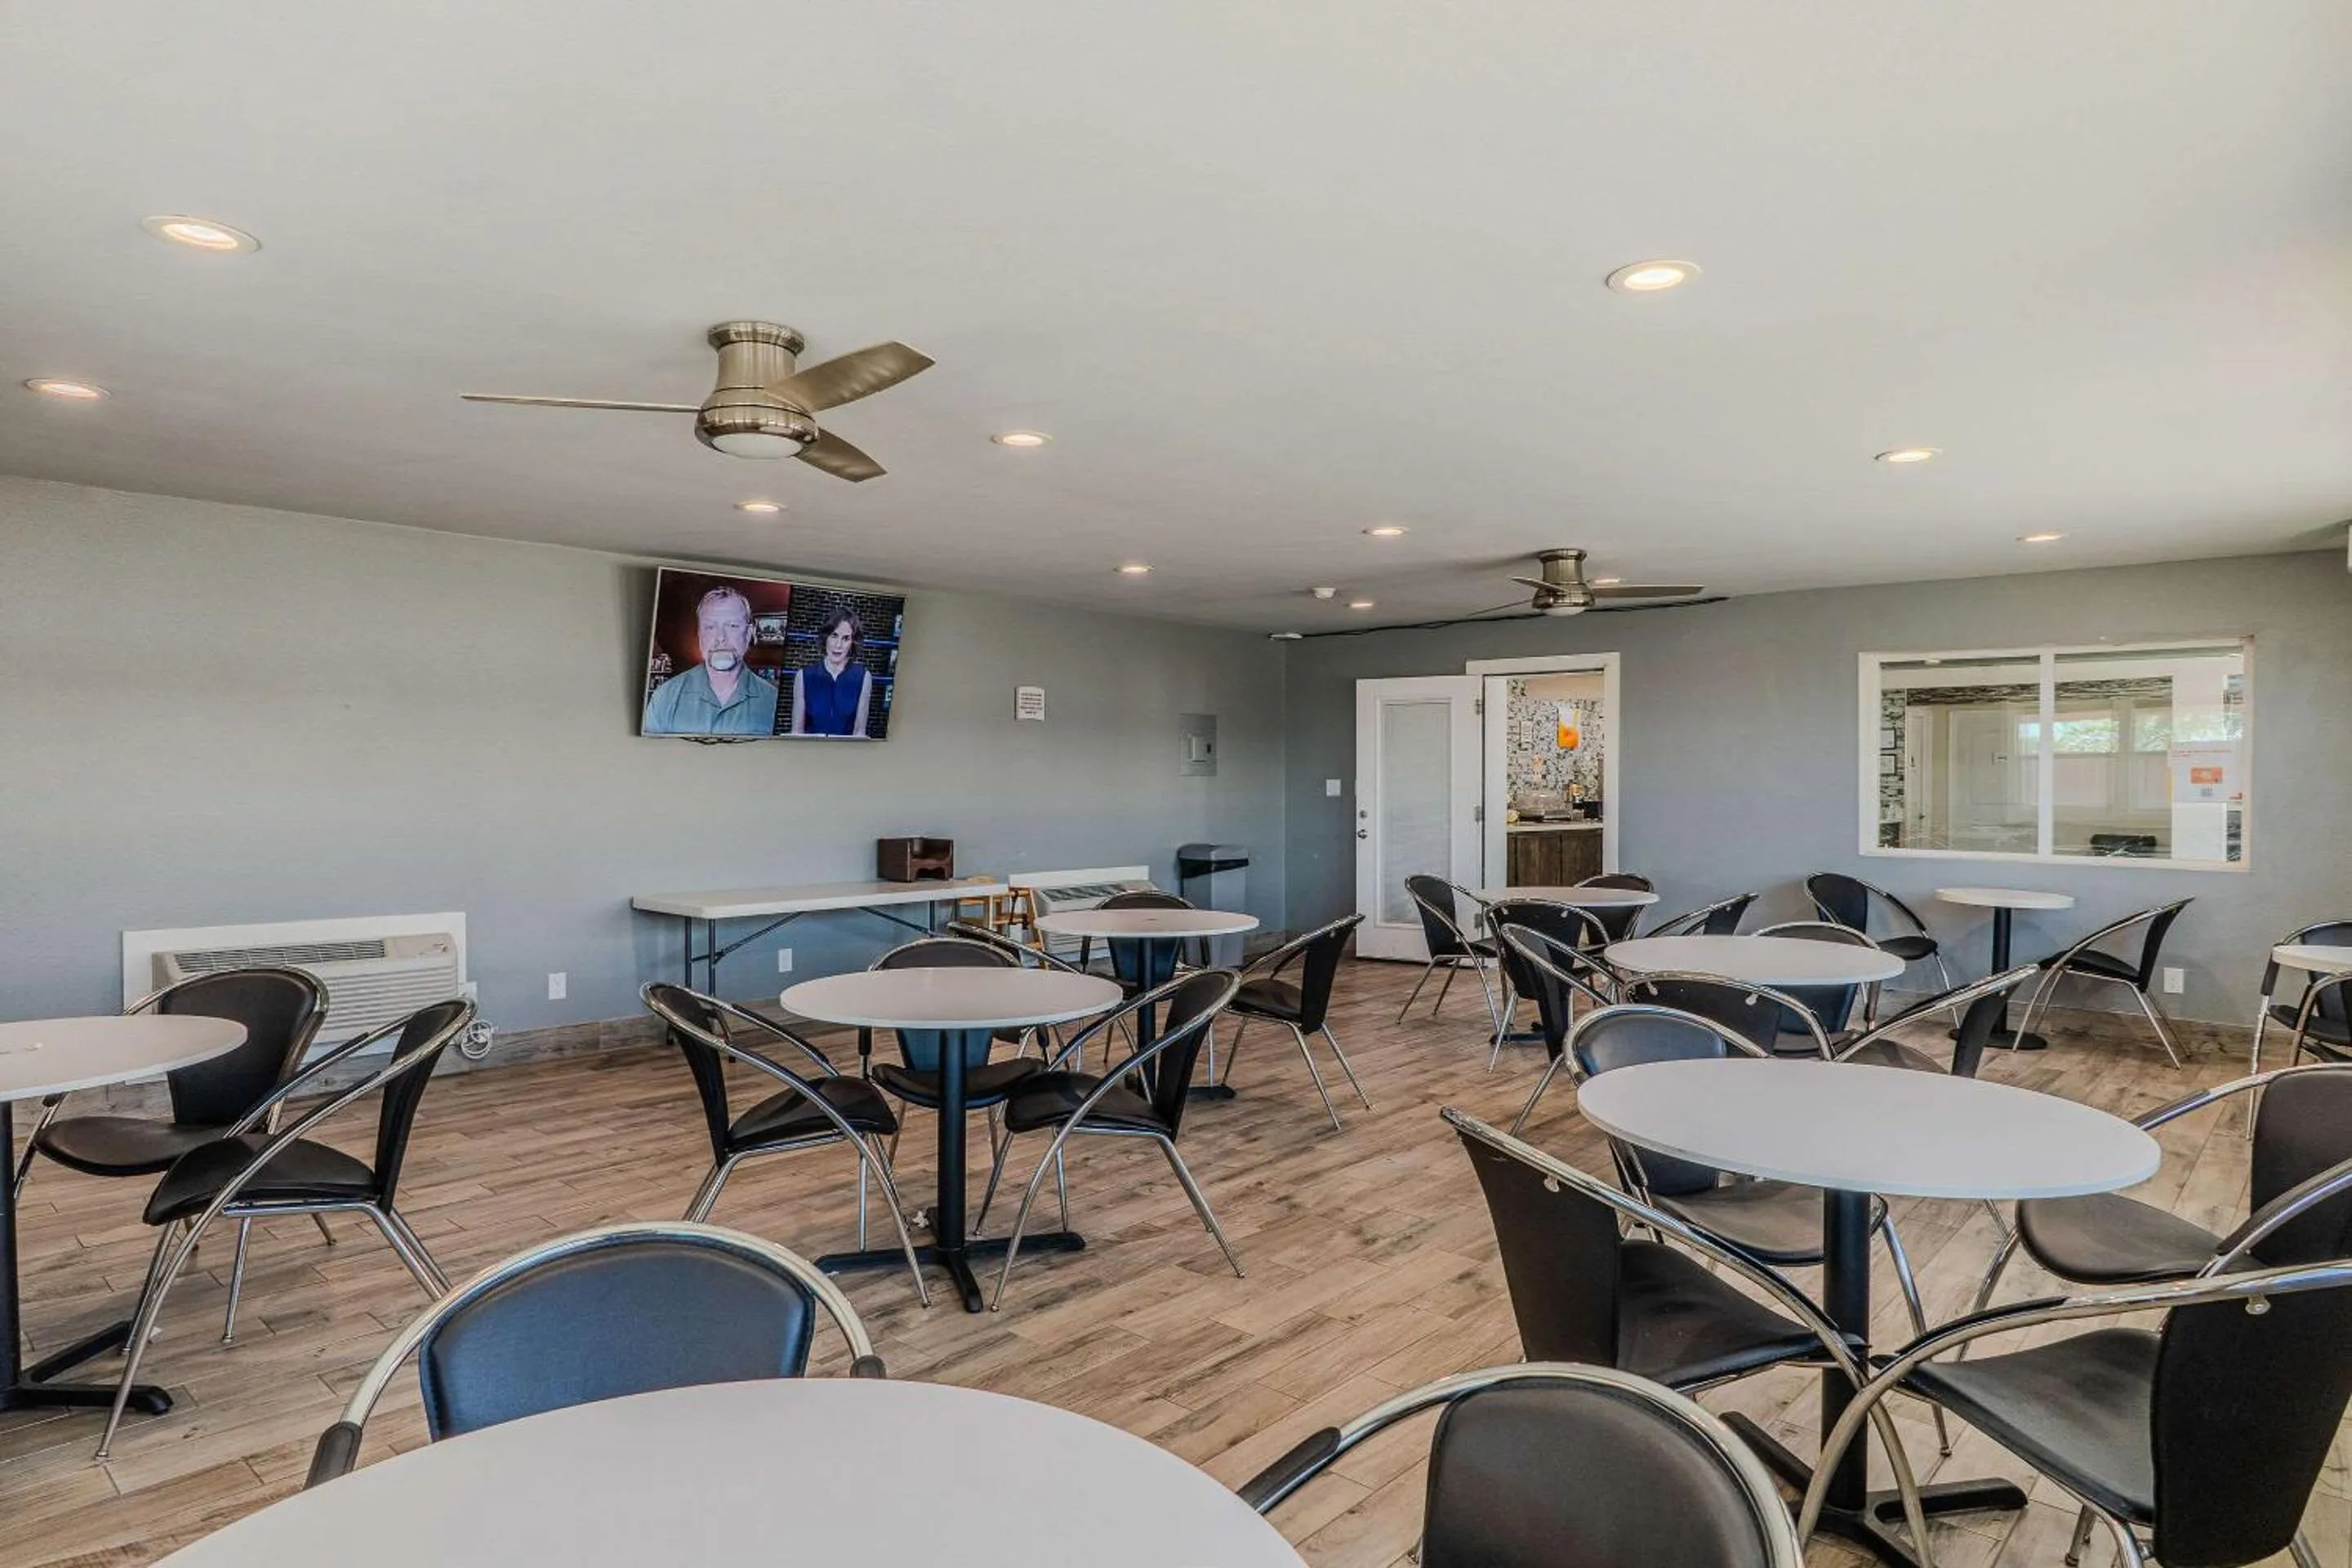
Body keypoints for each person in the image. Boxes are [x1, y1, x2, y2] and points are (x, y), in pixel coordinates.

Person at [643, 586, 781, 736]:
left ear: (748, 634)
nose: (720, 637)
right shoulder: (665, 697)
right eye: (710, 627)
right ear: (700, 634)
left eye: (732, 626)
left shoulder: (773, 701)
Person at [793, 606, 872, 737]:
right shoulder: (804, 676)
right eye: (834, 636)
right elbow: (797, 732)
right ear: (826, 638)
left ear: (852, 642)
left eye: (846, 638)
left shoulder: (863, 677)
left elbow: (859, 733)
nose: (838, 645)